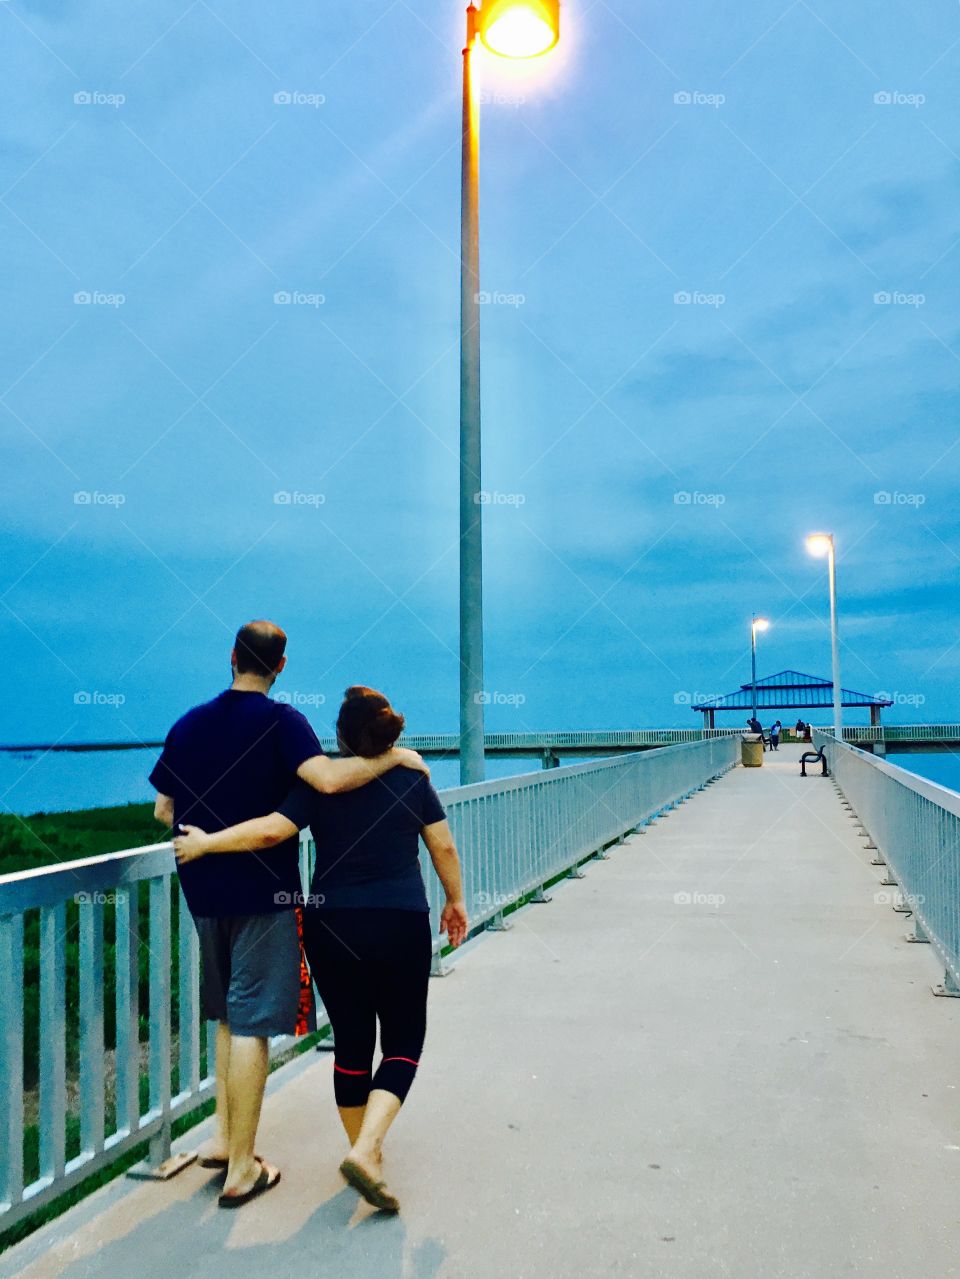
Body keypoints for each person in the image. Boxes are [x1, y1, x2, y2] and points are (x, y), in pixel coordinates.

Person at [150, 623, 428, 1209]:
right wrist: (400, 756)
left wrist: (201, 840)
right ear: (280, 666)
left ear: (230, 657)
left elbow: (163, 809)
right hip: (262, 893)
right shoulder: (282, 721)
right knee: (252, 1023)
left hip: (203, 893)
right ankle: (243, 1169)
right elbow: (326, 779)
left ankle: (224, 1140)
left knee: (228, 1014)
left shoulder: (186, 724)